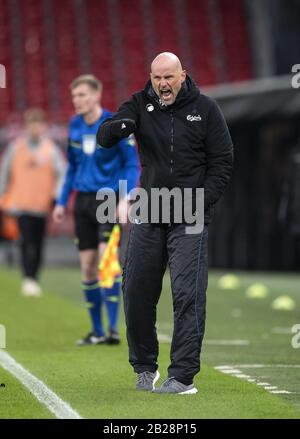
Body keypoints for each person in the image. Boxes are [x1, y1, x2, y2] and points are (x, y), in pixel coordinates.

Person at [97, 53, 233, 394]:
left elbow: (222, 162)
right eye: (158, 78)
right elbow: (104, 135)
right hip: (150, 210)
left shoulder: (206, 109)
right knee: (135, 288)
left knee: (188, 294)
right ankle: (145, 367)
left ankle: (183, 378)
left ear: (183, 75)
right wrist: (120, 128)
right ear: (151, 77)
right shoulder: (140, 104)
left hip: (189, 215)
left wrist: (200, 202)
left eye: (169, 77)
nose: (163, 84)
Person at [52, 75, 139, 346]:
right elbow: (72, 168)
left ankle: (113, 329)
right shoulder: (75, 126)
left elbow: (131, 165)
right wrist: (61, 201)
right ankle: (97, 330)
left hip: (107, 199)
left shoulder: (114, 125)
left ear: (96, 95)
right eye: (74, 95)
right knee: (87, 267)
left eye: (82, 95)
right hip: (83, 203)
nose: (77, 100)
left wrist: (125, 198)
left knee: (106, 262)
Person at [0, 108, 65, 297]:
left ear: (43, 127)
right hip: (20, 204)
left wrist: (56, 196)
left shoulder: (50, 150)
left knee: (38, 242)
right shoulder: (16, 147)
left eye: (38, 125)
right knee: (26, 241)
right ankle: (28, 278)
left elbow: (62, 174)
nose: (35, 128)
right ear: (27, 126)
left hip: (42, 205)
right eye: (31, 125)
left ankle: (34, 277)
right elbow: (5, 173)